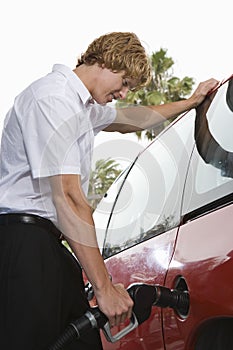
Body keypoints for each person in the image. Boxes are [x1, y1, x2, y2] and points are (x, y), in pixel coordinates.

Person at [0, 32, 218, 350]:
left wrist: (192, 101)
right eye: (124, 81)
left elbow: (133, 118)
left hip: (48, 244)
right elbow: (69, 197)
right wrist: (103, 287)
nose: (124, 92)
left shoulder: (82, 108)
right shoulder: (53, 98)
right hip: (24, 245)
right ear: (105, 62)